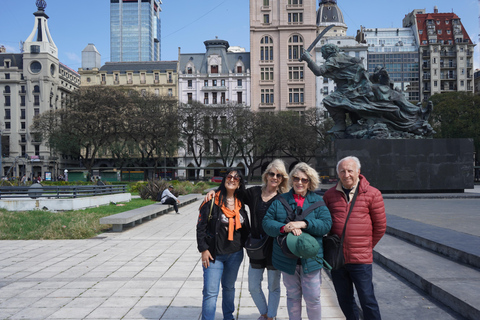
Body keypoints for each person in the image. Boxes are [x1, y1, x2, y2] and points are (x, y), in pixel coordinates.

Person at [205, 159, 289, 320]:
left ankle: (270, 317)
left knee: (273, 286)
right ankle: (264, 312)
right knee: (253, 286)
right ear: (266, 175)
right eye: (272, 173)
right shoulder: (254, 193)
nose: (275, 177)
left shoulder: (283, 198)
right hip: (256, 247)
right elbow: (232, 189)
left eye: (279, 175)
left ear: (282, 179)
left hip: (275, 249)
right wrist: (214, 191)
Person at [300, 44, 433, 136]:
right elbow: (361, 72)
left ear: (328, 52)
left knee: (329, 100)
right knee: (394, 95)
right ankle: (418, 111)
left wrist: (308, 59)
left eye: (323, 54)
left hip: (349, 91)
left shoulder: (333, 59)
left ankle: (340, 124)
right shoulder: (349, 59)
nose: (323, 57)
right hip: (361, 87)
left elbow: (319, 71)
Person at [263, 162, 332, 320]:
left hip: (311, 259)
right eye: (296, 178)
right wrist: (284, 227)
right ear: (291, 179)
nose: (299, 182)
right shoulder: (280, 200)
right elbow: (267, 223)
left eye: (304, 179)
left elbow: (326, 224)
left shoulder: (317, 201)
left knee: (313, 298)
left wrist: (305, 223)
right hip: (287, 258)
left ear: (310, 182)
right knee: (293, 297)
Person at [323, 156, 387, 320]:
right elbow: (325, 223)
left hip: (361, 259)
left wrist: (366, 246)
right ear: (338, 173)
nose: (346, 174)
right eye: (342, 171)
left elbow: (380, 226)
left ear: (358, 172)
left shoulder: (372, 194)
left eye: (350, 170)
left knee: (367, 299)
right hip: (338, 259)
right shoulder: (330, 195)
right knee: (344, 299)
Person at [196, 169, 250, 320]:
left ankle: (228, 317)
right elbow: (201, 227)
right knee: (210, 292)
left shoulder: (240, 203)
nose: (232, 179)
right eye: (229, 176)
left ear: (240, 183)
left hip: (235, 254)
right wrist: (203, 249)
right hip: (214, 254)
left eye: (236, 178)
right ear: (224, 179)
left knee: (229, 288)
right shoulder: (212, 200)